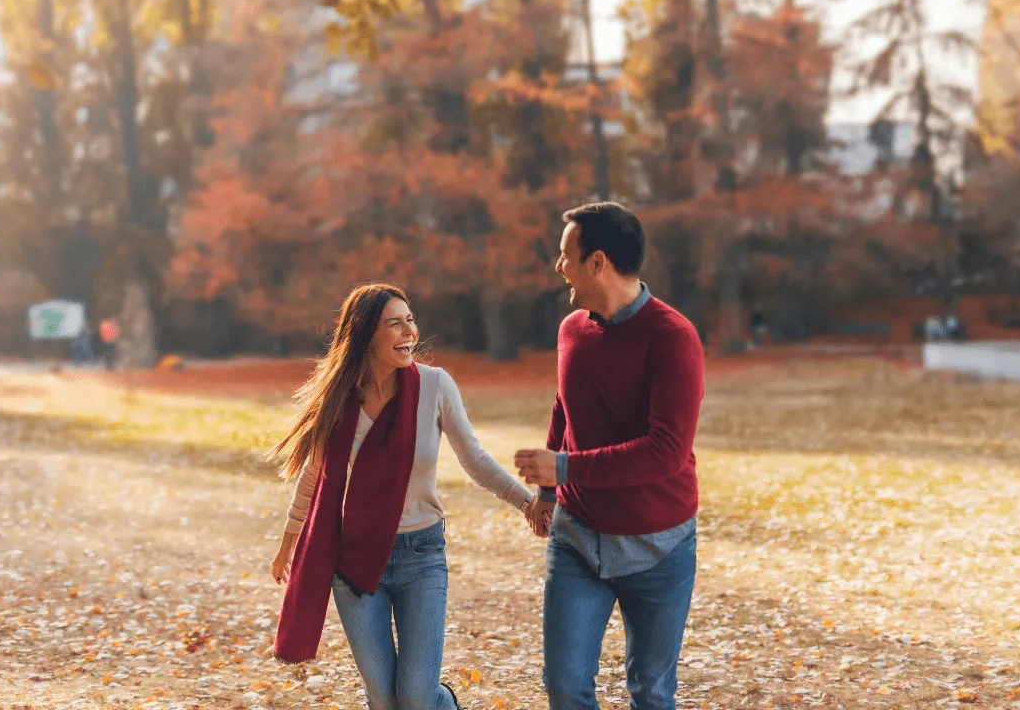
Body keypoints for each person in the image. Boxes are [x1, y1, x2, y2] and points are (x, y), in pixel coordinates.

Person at [269, 283, 548, 710]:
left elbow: (472, 457)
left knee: (417, 697)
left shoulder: (435, 387)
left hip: (421, 556)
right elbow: (315, 474)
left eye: (410, 321)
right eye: (394, 324)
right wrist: (289, 543)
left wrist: (526, 502)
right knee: (383, 698)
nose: (409, 332)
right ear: (366, 334)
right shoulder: (340, 397)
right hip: (356, 560)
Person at [515, 203, 705, 710]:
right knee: (565, 686)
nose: (559, 267)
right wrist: (549, 491)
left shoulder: (673, 337)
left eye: (565, 256)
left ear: (597, 262)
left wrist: (567, 468)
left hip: (658, 546)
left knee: (650, 689)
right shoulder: (572, 329)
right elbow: (564, 406)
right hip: (577, 538)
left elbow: (666, 452)